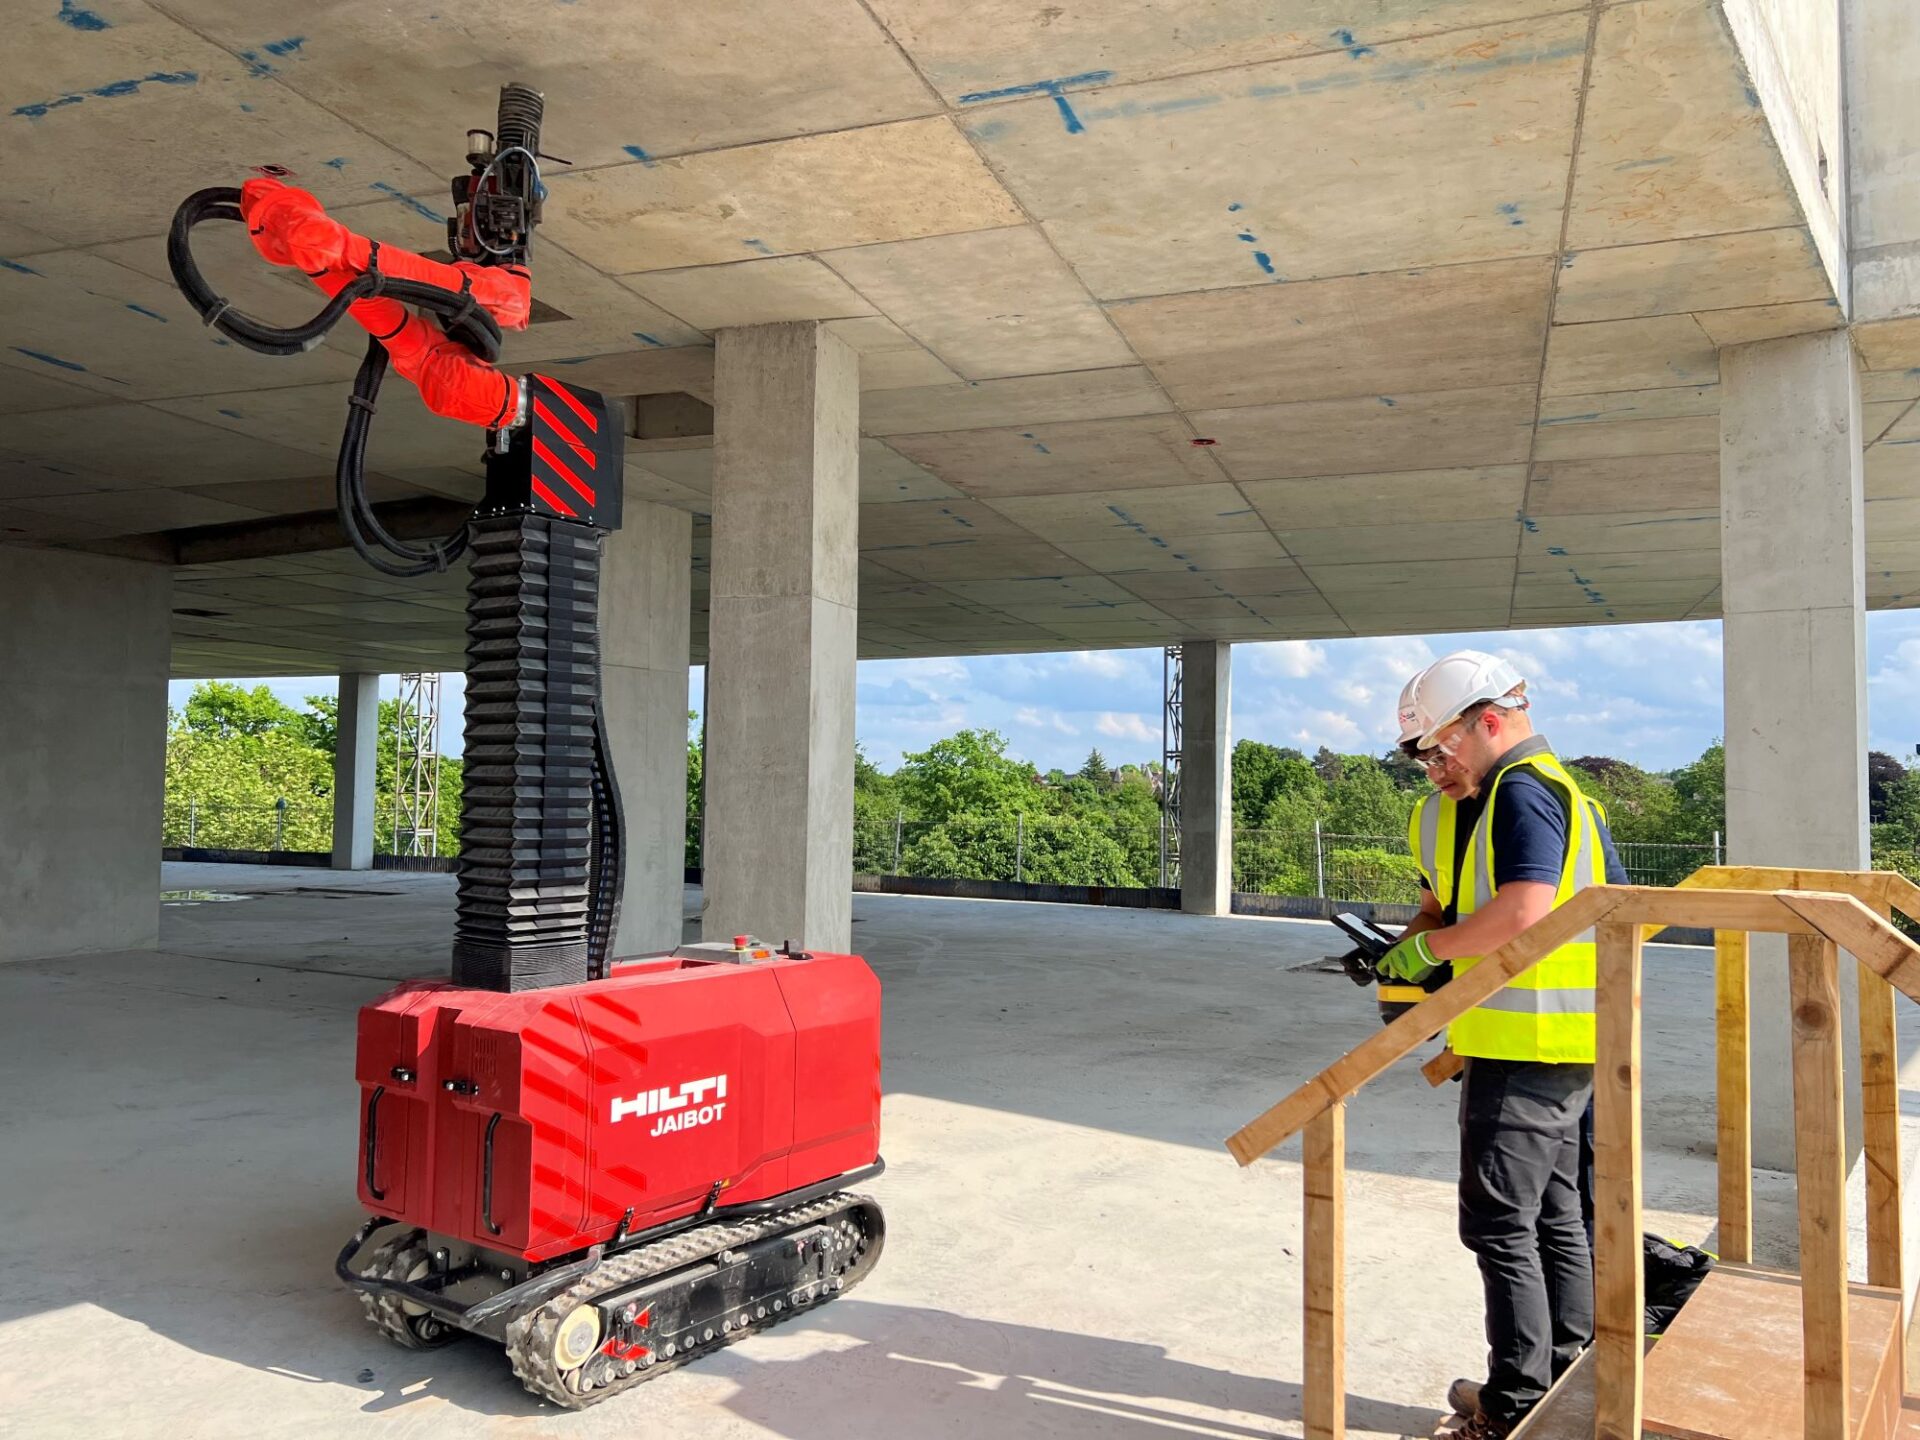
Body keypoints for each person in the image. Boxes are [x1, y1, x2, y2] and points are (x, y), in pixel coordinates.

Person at [1372, 650, 1626, 1439]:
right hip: (1550, 1041)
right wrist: (1411, 949)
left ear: (1488, 721)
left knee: (1498, 1223)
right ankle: (1561, 1383)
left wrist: (1434, 950)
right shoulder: (1502, 798)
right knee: (1553, 1214)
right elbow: (1450, 905)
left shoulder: (1523, 790)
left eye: (1440, 748)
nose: (1434, 768)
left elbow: (1522, 912)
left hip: (1532, 1043)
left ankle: (1513, 1407)